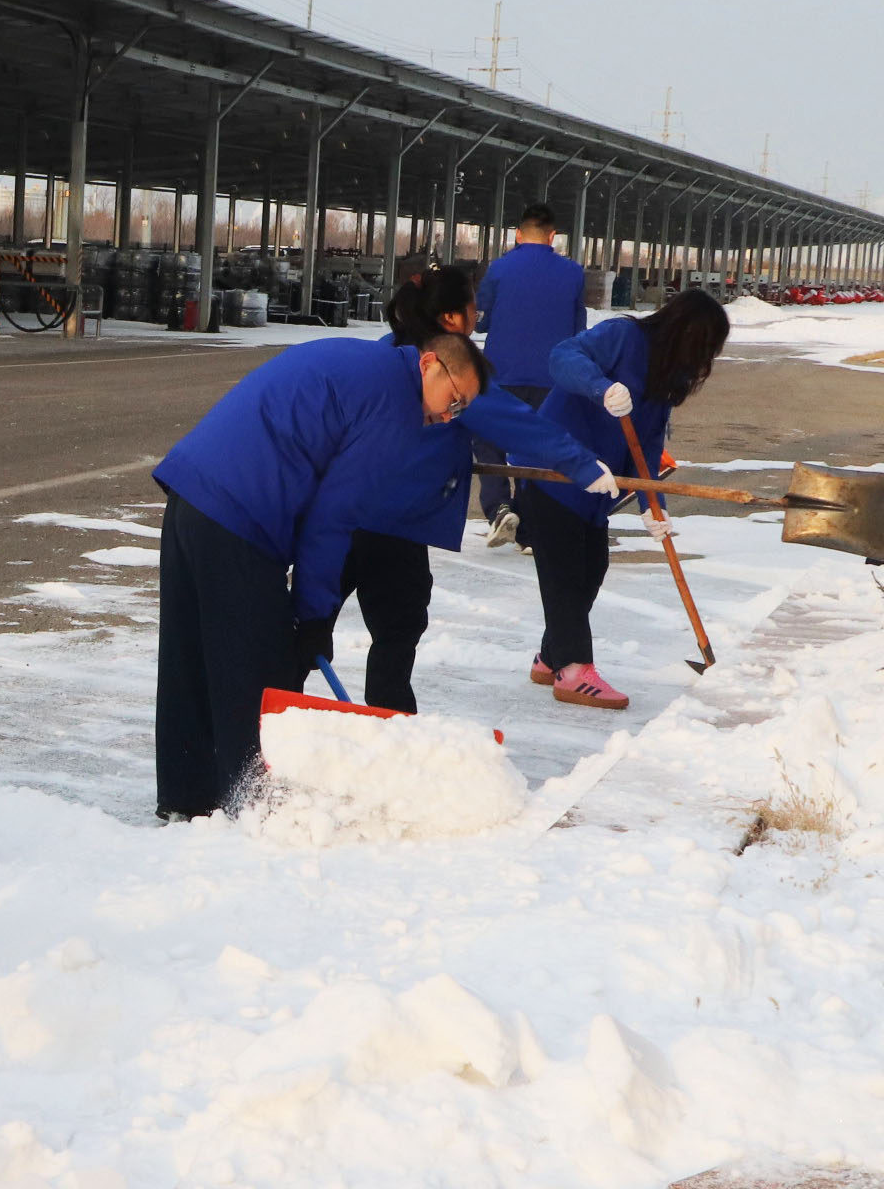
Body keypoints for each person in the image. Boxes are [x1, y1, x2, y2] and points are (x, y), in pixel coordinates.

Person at [149, 324, 618, 818]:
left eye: (460, 411)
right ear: (429, 363)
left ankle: (187, 795)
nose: (447, 417)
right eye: (453, 400)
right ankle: (254, 808)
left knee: (190, 654)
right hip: (241, 513)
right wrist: (312, 615)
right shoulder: (393, 406)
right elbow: (333, 519)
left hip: (191, 493)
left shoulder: (365, 365)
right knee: (255, 668)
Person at [325, 258, 605, 711]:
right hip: (394, 525)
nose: (478, 316)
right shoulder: (456, 373)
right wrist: (585, 465)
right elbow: (521, 427)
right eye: (474, 307)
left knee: (311, 622)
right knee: (397, 632)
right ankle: (389, 722)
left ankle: (276, 706)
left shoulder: (387, 349)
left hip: (338, 518)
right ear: (452, 318)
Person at [520, 289, 733, 711]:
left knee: (591, 569)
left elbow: (648, 447)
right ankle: (574, 669)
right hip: (553, 471)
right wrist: (600, 388)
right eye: (703, 346)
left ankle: (551, 656)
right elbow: (563, 357)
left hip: (597, 492)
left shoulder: (669, 374)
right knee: (565, 575)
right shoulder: (622, 336)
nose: (703, 359)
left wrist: (654, 508)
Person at [471, 203, 590, 544]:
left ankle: (499, 508)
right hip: (552, 379)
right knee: (538, 448)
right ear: (553, 236)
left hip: (501, 373)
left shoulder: (499, 269)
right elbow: (578, 330)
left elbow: (482, 320)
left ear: (518, 235)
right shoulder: (573, 273)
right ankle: (530, 530)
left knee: (487, 438)